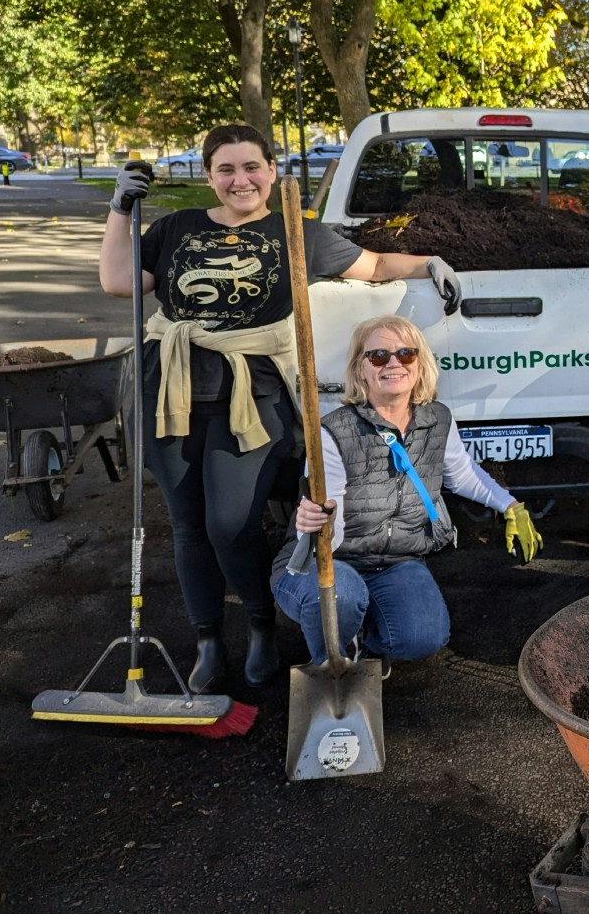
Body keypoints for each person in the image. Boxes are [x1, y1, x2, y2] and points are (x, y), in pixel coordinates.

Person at [98, 123, 463, 694]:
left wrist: (428, 262)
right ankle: (208, 641)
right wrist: (120, 209)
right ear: (209, 175)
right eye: (226, 169)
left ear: (271, 171)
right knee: (188, 524)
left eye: (251, 167)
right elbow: (120, 281)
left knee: (230, 525)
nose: (239, 180)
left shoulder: (297, 231)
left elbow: (373, 264)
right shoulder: (175, 227)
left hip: (253, 396)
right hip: (169, 390)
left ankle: (262, 625)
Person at [272, 316, 541, 670]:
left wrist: (510, 506)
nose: (394, 362)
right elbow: (329, 510)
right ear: (361, 369)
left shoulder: (437, 419)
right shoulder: (333, 431)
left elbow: (461, 475)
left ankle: (369, 638)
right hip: (326, 558)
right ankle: (333, 663)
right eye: (379, 355)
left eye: (405, 353)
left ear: (420, 363)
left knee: (423, 637)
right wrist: (318, 521)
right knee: (342, 594)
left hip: (396, 562)